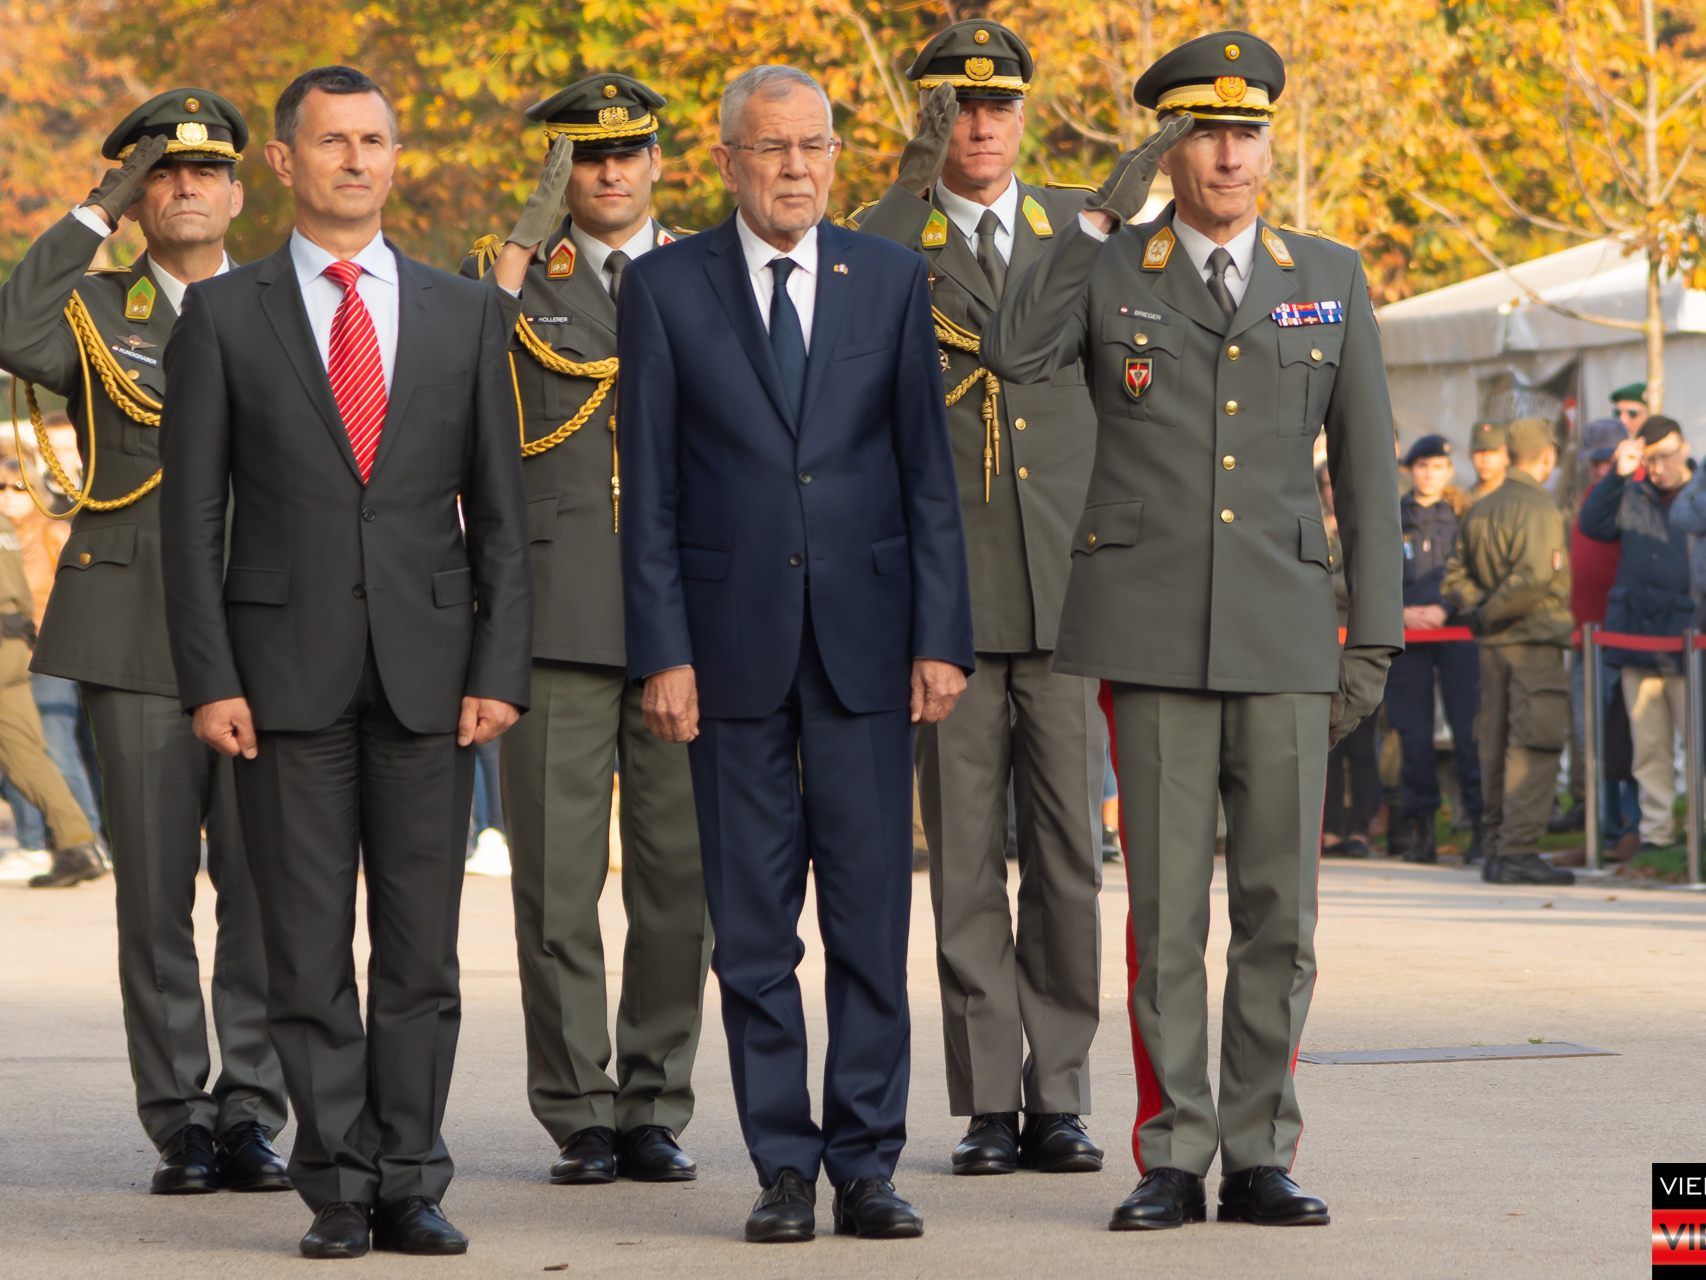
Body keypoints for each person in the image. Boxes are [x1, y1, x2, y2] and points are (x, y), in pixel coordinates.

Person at [984, 29, 1402, 1232]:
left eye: (1247, 131)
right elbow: (1014, 352)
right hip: (1152, 632)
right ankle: (1170, 1149)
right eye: (1204, 133)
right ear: (1168, 149)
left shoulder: (1324, 272)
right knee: (1163, 911)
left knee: (1280, 911)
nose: (1229, 152)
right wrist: (1093, 220)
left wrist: (1366, 640)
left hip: (1281, 633)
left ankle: (1259, 1147)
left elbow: (1367, 481)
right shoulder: (1111, 270)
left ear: (1270, 144)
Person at [159, 66, 532, 1259]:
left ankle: (412, 1176)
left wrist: (498, 667)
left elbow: (504, 516)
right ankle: (335, 1186)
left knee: (421, 952)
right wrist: (211, 676)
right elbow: (191, 521)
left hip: (433, 676)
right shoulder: (225, 315)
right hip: (279, 681)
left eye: (375, 139)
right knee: (305, 949)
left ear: (394, 157)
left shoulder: (465, 311)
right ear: (285, 161)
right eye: (333, 142)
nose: (357, 160)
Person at [618, 64, 974, 1244]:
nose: (794, 168)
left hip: (869, 652)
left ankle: (867, 1162)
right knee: (754, 929)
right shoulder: (666, 288)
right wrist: (661, 650)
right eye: (771, 148)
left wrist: (941, 637)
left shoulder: (887, 279)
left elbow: (929, 473)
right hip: (725, 660)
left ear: (834, 156)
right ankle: (782, 1165)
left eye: (813, 146)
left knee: (870, 918)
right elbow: (651, 496)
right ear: (726, 161)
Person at [0, 89, 290, 1194]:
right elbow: (10, 326)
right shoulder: (94, 309)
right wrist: (96, 208)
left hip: (264, 632)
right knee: (155, 894)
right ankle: (179, 1119)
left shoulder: (279, 305)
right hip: (134, 633)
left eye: (202, 173)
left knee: (262, 892)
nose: (183, 189)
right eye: (159, 175)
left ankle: (251, 1109)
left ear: (235, 190)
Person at [847, 19, 1104, 1177]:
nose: (983, 125)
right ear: (930, 117)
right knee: (958, 863)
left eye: (1001, 106)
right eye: (959, 106)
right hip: (940, 604)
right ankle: (986, 1101)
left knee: (1063, 858)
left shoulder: (1084, 231)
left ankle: (1059, 1091)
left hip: (1068, 593)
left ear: (1023, 115)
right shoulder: (875, 240)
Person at [460, 72, 710, 1187]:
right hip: (553, 617)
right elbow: (463, 378)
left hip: (686, 620)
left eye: (626, 152)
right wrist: (521, 244)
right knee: (555, 885)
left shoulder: (708, 272)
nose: (609, 172)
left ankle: (655, 1097)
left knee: (677, 880)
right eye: (584, 155)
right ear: (559, 170)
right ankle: (579, 1107)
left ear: (658, 161)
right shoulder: (510, 278)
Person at [1441, 418, 1575, 886]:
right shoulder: (1540, 508)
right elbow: (1535, 577)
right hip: (1531, 641)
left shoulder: (1481, 508)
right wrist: (1492, 611)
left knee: (1494, 744)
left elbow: (1454, 573)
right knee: (1533, 746)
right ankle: (1517, 849)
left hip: (1492, 645)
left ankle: (1498, 846)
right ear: (1546, 456)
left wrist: (1477, 610)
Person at [1580, 414, 1695, 852]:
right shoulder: (1630, 491)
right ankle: (1657, 833)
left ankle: (1696, 833)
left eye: (1665, 455)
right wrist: (1618, 471)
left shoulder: (1700, 494)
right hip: (1637, 637)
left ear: (1683, 449)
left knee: (1697, 747)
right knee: (1649, 750)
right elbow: (1592, 524)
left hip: (1688, 639)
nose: (1660, 466)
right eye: (1651, 458)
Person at [0, 454, 105, 872]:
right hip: (16, 644)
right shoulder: (7, 528)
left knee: (43, 750)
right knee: (29, 755)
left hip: (20, 641)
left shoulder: (38, 528)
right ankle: (78, 843)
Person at [1384, 434, 1482, 863]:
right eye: (1422, 466)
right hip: (1408, 634)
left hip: (1455, 632)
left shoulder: (1464, 514)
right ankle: (1420, 827)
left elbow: (1476, 569)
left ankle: (1481, 827)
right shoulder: (1394, 513)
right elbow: (1377, 568)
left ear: (1449, 471)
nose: (1429, 474)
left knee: (1469, 732)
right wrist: (1401, 611)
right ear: (1411, 470)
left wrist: (1445, 606)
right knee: (1414, 735)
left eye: (1438, 467)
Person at [1565, 417, 1640, 855]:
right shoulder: (1597, 494)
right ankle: (1602, 830)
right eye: (1592, 462)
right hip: (1585, 637)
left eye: (1604, 460)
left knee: (1622, 736)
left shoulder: (1635, 492)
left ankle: (1629, 827)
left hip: (1622, 637)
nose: (1597, 469)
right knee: (1589, 736)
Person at [1468, 420, 1509, 501]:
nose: (1485, 460)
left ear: (1507, 456)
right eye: (1480, 451)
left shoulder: (1518, 500)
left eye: (1493, 452)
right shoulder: (1462, 502)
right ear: (1470, 455)